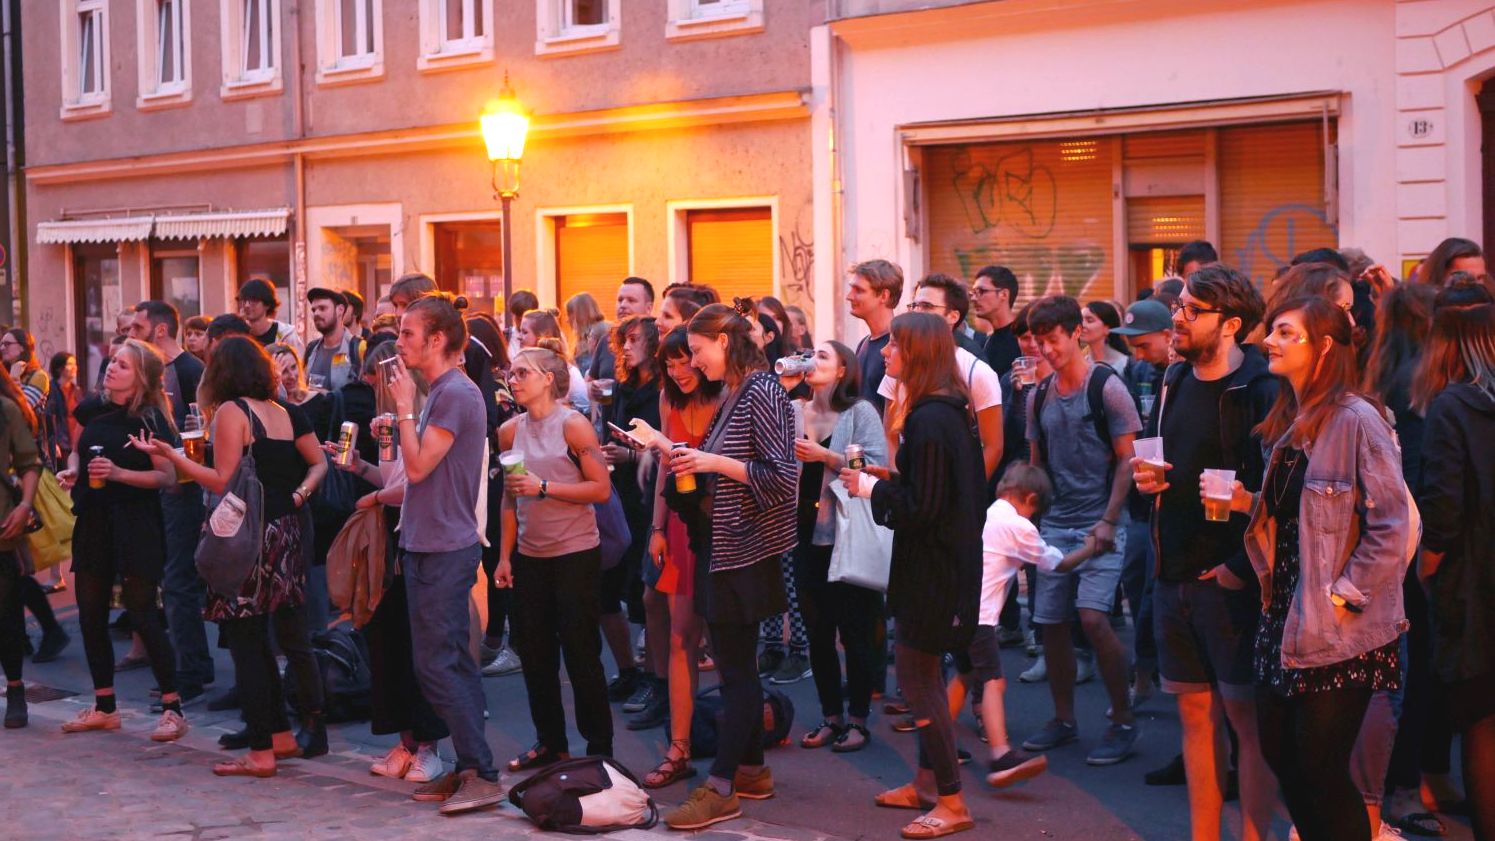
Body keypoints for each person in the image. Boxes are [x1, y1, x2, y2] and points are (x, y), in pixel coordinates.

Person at [1242, 296, 1413, 841]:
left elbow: (1395, 524)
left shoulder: (1359, 419)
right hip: (1286, 615)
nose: (1270, 341)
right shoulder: (1292, 419)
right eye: (1272, 331)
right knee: (1282, 754)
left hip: (1340, 624)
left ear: (1323, 347)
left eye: (1285, 333)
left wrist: (1346, 594)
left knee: (1318, 765)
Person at [1129, 268, 1279, 841]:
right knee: (1194, 718)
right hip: (1173, 572)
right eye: (1180, 307)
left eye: (1193, 310)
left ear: (1232, 324)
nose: (1178, 317)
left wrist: (1240, 571)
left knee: (1247, 723)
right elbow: (1154, 456)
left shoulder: (1261, 389)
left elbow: (1280, 495)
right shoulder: (1173, 380)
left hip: (1232, 582)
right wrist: (1144, 481)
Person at [139, 336, 329, 774]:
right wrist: (299, 497)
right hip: (285, 532)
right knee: (273, 637)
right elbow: (318, 462)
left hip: (246, 536)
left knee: (247, 642)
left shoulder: (232, 411)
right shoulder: (280, 412)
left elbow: (221, 480)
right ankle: (280, 736)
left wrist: (174, 457)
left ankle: (261, 749)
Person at [839, 312, 982, 839]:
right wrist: (889, 478)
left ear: (917, 354)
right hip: (942, 564)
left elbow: (923, 509)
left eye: (896, 347)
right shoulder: (943, 410)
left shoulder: (930, 417)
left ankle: (951, 801)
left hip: (934, 570)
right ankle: (927, 784)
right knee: (923, 679)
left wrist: (870, 490)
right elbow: (934, 490)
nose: (887, 355)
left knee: (920, 682)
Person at [661, 302, 797, 831]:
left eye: (697, 351)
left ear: (723, 341)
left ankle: (721, 787)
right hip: (729, 544)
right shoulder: (741, 390)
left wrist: (710, 462)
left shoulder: (761, 389)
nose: (693, 362)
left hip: (746, 550)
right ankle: (753, 770)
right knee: (737, 664)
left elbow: (781, 477)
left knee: (738, 670)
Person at [386, 292, 504, 814]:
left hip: (444, 547)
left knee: (439, 666)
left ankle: (483, 772)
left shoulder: (455, 392)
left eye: (408, 332)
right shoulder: (442, 391)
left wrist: (404, 412)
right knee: (448, 662)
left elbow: (417, 469)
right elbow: (417, 464)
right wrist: (402, 423)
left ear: (437, 339)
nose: (398, 340)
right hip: (428, 542)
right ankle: (470, 768)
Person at [1022, 295, 1143, 765]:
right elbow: (1036, 464)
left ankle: (1123, 718)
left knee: (1092, 618)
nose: (1047, 350)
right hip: (1055, 522)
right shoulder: (1039, 395)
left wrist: (1110, 519)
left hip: (1101, 521)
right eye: (1040, 341)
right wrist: (1027, 524)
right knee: (1050, 623)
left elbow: (1127, 459)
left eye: (1053, 340)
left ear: (1076, 333)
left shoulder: (1107, 388)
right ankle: (1064, 719)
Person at [328, 341, 450, 784]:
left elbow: (418, 483)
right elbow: (392, 476)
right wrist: (359, 466)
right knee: (386, 644)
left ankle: (429, 746)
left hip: (420, 537)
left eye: (389, 373)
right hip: (388, 537)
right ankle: (406, 741)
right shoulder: (390, 423)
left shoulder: (431, 416)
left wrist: (376, 494)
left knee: (419, 646)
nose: (379, 381)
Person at [54, 339, 186, 742]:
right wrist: (73, 470)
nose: (112, 368)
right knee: (90, 614)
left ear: (142, 377)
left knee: (143, 612)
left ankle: (172, 708)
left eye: (123, 366)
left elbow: (168, 478)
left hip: (135, 521)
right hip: (93, 517)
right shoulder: (94, 407)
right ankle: (105, 706)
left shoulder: (150, 418)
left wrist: (118, 474)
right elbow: (79, 450)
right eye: (113, 362)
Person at [494, 342, 615, 773]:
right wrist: (505, 557)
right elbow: (509, 500)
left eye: (522, 372)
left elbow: (600, 489)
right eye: (510, 373)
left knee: (582, 654)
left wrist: (544, 487)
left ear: (549, 378)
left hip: (575, 554)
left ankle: (600, 749)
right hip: (530, 556)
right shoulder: (509, 431)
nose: (514, 379)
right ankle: (551, 743)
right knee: (536, 656)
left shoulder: (574, 426)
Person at [1413, 281, 1495, 841]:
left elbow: (1442, 506)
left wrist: (1426, 566)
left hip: (1475, 586)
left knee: (1482, 726)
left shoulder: (1452, 406)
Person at [1362, 283, 1444, 834]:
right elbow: (1416, 473)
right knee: (1412, 675)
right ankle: (1402, 787)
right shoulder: (1421, 384)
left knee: (1391, 673)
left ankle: (1387, 785)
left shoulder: (1374, 377)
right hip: (1412, 547)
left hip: (1383, 540)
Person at [629, 325, 722, 788]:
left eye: (686, 359)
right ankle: (679, 748)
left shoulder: (729, 397)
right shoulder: (670, 401)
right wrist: (659, 527)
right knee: (681, 639)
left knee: (726, 644)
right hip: (682, 528)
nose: (679, 369)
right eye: (669, 362)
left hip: (724, 529)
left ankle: (738, 748)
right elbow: (667, 463)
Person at [785, 340, 886, 754]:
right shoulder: (794, 411)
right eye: (811, 355)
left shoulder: (859, 412)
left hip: (845, 534)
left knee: (856, 628)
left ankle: (859, 719)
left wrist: (826, 456)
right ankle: (831, 716)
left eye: (823, 356)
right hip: (802, 534)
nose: (813, 361)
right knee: (817, 631)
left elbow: (876, 467)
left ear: (843, 369)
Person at [978, 463, 1097, 788]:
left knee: (963, 676)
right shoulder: (1018, 526)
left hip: (959, 609)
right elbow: (1056, 564)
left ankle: (937, 745)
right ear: (1030, 498)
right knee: (993, 681)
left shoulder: (988, 513)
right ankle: (1000, 754)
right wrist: (1091, 546)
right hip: (982, 616)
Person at [131, 301, 213, 704]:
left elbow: (201, 431)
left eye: (139, 326)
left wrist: (182, 478)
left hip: (186, 490)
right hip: (168, 487)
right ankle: (190, 663)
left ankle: (192, 670)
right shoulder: (155, 373)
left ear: (160, 331)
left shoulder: (188, 372)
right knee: (174, 580)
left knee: (180, 581)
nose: (133, 332)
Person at [598, 318, 665, 725]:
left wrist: (631, 456)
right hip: (618, 496)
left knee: (647, 598)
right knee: (607, 593)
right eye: (622, 340)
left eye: (634, 340)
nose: (625, 347)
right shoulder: (623, 387)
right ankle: (628, 670)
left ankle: (654, 681)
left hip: (649, 500)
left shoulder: (662, 392)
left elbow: (669, 450)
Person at [1109, 298, 1174, 710]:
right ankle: (1148, 669)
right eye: (1131, 343)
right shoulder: (1138, 371)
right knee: (1135, 579)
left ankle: (1150, 672)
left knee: (1153, 590)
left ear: (1169, 336)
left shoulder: (1184, 373)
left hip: (1168, 501)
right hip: (1141, 500)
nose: (1137, 351)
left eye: (1144, 342)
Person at [887, 275, 1004, 480]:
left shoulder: (977, 372)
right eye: (914, 305)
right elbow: (891, 433)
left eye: (926, 306)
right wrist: (898, 483)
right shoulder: (898, 365)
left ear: (952, 316)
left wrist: (965, 494)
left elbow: (993, 446)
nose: (917, 312)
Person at [0, 368, 43, 728]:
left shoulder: (5, 410)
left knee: (7, 615)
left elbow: (29, 462)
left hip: (2, 527)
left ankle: (16, 689)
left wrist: (24, 505)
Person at [847, 259, 903, 416]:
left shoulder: (900, 346)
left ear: (884, 295)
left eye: (858, 290)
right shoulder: (863, 343)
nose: (849, 296)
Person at [587, 277, 656, 393]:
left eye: (631, 300)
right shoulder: (606, 340)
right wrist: (592, 388)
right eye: (620, 300)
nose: (623, 305)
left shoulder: (658, 340)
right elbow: (590, 381)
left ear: (648, 308)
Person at [518, 310, 591, 413]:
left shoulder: (567, 371)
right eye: (519, 331)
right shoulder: (522, 367)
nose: (519, 337)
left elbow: (584, 408)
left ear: (542, 335)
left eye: (525, 332)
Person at [304, 287, 366, 393]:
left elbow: (366, 396)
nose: (316, 314)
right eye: (314, 310)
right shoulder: (311, 349)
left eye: (322, 308)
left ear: (340, 310)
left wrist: (328, 396)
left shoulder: (359, 348)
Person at [972, 265, 1021, 376]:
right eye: (974, 292)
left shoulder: (1022, 340)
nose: (974, 298)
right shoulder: (987, 341)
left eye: (981, 291)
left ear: (1003, 294)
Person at [237, 278, 305, 356]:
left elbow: (301, 363)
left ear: (267, 304)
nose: (247, 305)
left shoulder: (286, 335)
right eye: (244, 301)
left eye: (254, 300)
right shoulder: (238, 334)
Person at [45, 351, 82, 466]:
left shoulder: (76, 390)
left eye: (75, 364)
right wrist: (53, 443)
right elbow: (49, 418)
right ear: (59, 369)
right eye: (70, 364)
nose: (74, 367)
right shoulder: (50, 389)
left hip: (76, 442)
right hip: (62, 444)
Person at [1082, 301, 1134, 373]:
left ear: (1107, 329)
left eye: (1089, 320)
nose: (1082, 325)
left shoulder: (1125, 365)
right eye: (1080, 320)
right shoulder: (1082, 360)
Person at [565, 292, 609, 375]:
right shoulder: (584, 337)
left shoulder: (598, 334)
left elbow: (586, 373)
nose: (566, 320)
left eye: (569, 315)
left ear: (579, 316)